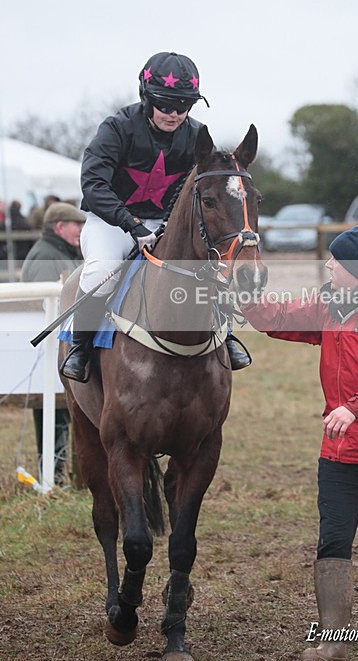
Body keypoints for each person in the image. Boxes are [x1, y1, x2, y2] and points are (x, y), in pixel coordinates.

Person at [237, 226, 358, 661]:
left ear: (357, 270)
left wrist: (355, 407)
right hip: (339, 454)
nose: (327, 266)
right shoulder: (330, 304)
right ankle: (332, 645)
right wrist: (243, 293)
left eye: (335, 261)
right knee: (333, 542)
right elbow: (277, 319)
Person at [60, 51, 250, 382]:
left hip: (165, 224)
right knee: (101, 270)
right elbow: (92, 185)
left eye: (183, 106)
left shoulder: (196, 134)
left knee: (210, 269)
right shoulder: (117, 128)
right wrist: (131, 225)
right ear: (146, 97)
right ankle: (81, 348)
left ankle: (226, 335)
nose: (174, 113)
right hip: (112, 222)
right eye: (166, 104)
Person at [21, 201, 87, 485]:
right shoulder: (45, 257)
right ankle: (54, 474)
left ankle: (62, 474)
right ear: (60, 227)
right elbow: (40, 307)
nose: (82, 232)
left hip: (62, 347)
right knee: (52, 413)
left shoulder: (61, 252)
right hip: (48, 351)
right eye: (78, 225)